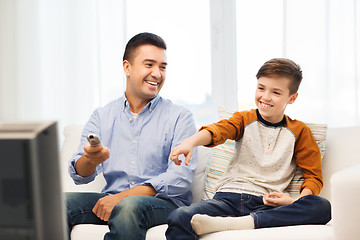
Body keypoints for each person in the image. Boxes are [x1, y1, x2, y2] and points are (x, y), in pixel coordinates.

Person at [165, 58, 331, 240]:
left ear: (292, 98)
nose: (265, 97)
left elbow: (313, 176)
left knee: (322, 207)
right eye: (261, 88)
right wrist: (190, 142)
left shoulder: (299, 131)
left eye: (276, 92)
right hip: (227, 199)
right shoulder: (244, 119)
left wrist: (294, 201)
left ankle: (239, 223)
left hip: (267, 204)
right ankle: (247, 221)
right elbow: (218, 130)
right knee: (178, 217)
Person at [66, 32, 198, 240]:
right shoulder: (102, 116)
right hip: (113, 200)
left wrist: (121, 198)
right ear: (127, 67)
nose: (157, 73)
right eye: (149, 65)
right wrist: (89, 160)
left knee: (128, 207)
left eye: (162, 67)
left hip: (163, 204)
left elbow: (179, 179)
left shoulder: (180, 117)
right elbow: (80, 174)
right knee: (58, 205)